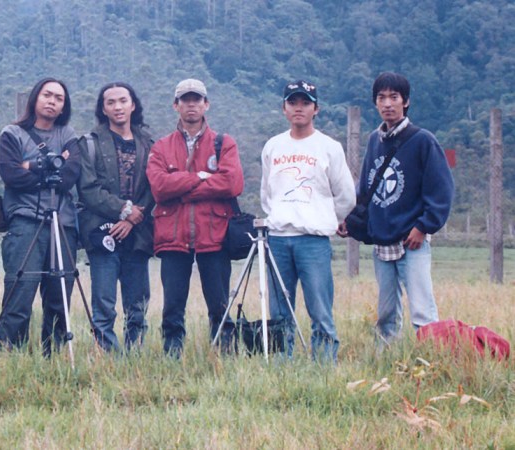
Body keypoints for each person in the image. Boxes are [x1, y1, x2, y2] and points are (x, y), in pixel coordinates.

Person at [353, 72, 453, 346]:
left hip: (412, 240)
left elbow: (441, 190)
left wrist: (423, 226)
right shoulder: (374, 140)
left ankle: (432, 355)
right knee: (386, 312)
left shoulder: (423, 141)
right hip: (382, 239)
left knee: (422, 309)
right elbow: (366, 187)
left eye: (394, 97)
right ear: (375, 103)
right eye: (381, 98)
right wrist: (352, 218)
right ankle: (386, 358)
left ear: (406, 101)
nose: (388, 103)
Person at [146, 78, 244, 357]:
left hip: (214, 234)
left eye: (197, 99)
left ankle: (224, 355)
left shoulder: (224, 143)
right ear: (175, 105)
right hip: (172, 236)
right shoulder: (161, 147)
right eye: (185, 100)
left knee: (219, 303)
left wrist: (181, 188)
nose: (191, 104)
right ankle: (172, 356)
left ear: (206, 104)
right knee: (172, 305)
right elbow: (159, 187)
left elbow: (232, 183)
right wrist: (200, 177)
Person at [260, 80, 355, 363]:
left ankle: (324, 365)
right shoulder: (273, 146)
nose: (298, 108)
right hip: (278, 240)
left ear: (316, 109)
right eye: (293, 103)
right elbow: (267, 194)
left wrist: (327, 218)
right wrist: (281, 216)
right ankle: (281, 364)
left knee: (320, 308)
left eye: (305, 103)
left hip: (313, 240)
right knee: (279, 310)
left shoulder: (329, 147)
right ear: (284, 108)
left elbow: (346, 195)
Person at [0, 77, 81, 357]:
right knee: (20, 293)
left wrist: (29, 165)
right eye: (47, 95)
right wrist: (51, 170)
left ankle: (53, 359)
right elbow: (11, 175)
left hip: (63, 224)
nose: (52, 101)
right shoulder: (12, 133)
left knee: (59, 297)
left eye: (59, 98)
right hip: (25, 221)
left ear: (64, 106)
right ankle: (9, 358)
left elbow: (69, 176)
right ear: (35, 98)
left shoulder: (69, 134)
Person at [77, 82, 155, 352]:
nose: (117, 106)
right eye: (110, 102)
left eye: (123, 100)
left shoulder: (149, 144)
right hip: (102, 232)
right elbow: (88, 189)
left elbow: (154, 187)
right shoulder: (89, 143)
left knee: (138, 305)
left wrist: (132, 218)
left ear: (133, 105)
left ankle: (135, 356)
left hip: (138, 233)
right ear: (103, 108)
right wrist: (123, 210)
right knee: (104, 304)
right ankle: (107, 357)